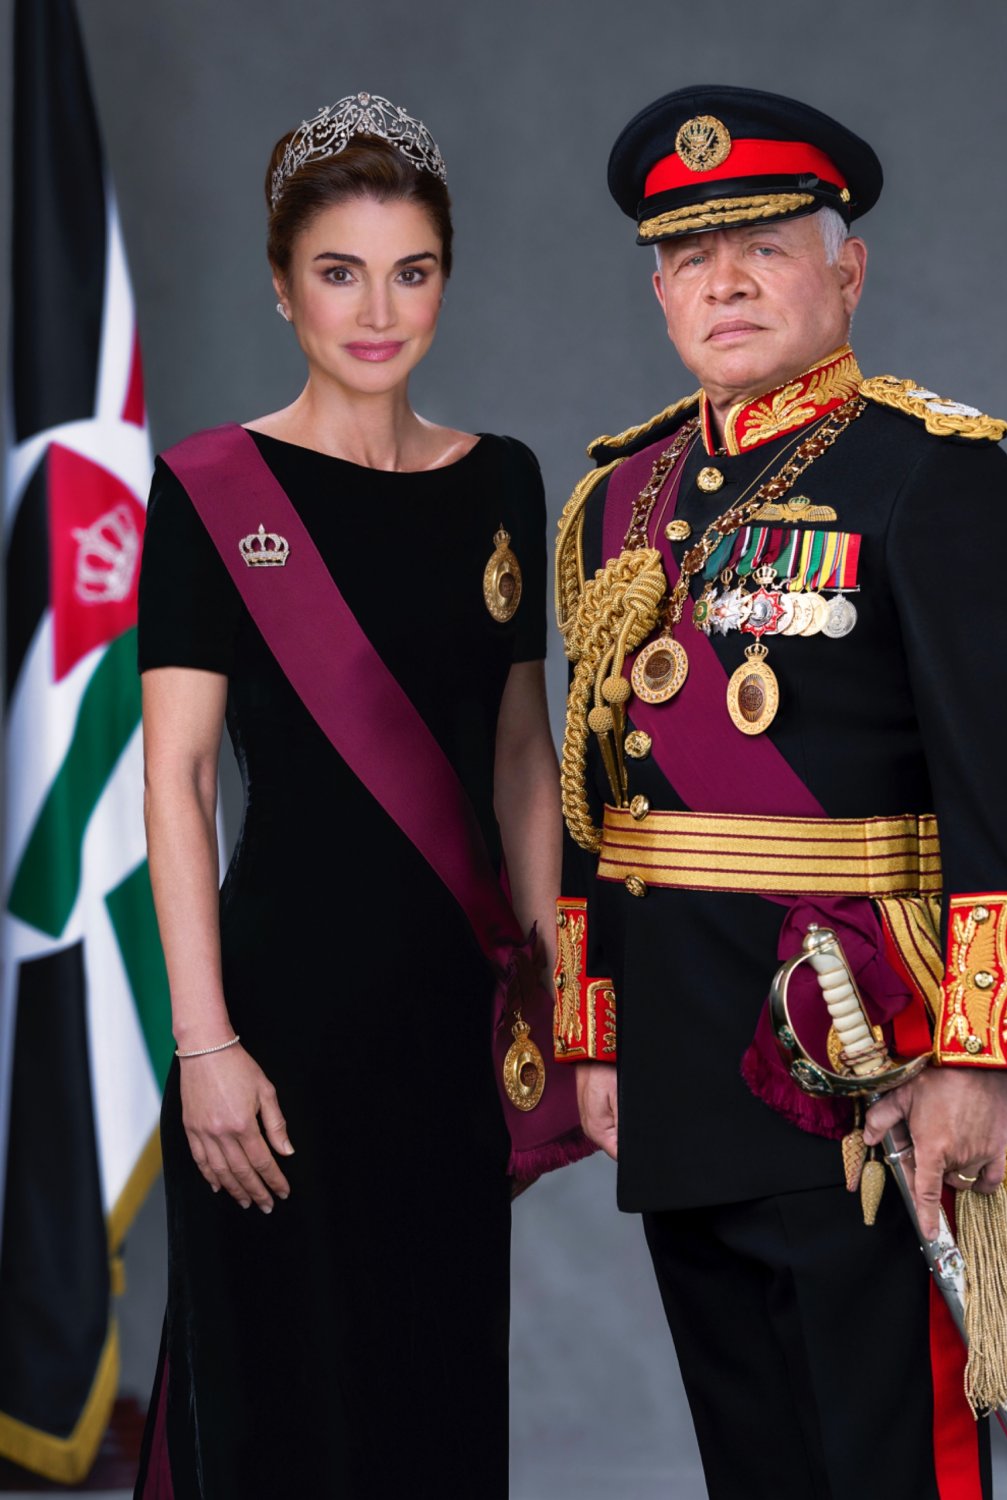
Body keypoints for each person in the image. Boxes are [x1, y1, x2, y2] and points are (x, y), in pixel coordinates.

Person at [552, 85, 1007, 1498]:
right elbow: (603, 793)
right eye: (691, 257)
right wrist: (593, 1031)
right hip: (675, 1057)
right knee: (756, 1456)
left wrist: (982, 1055)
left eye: (767, 246)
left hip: (860, 1051)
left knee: (889, 1454)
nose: (725, 282)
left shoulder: (930, 474)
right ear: (660, 289)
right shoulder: (620, 502)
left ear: (847, 270)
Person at [134, 93, 585, 1500]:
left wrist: (557, 976)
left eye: (412, 270)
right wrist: (204, 1043)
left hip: (453, 1020)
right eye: (339, 272)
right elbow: (178, 775)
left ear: (446, 278)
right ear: (281, 287)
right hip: (278, 1026)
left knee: (436, 1397)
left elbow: (523, 752)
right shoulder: (212, 493)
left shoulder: (504, 482)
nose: (377, 309)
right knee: (280, 1407)